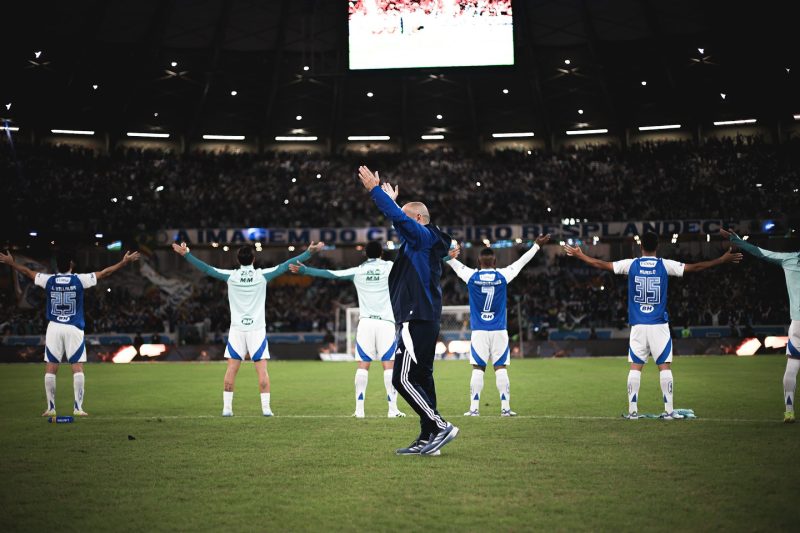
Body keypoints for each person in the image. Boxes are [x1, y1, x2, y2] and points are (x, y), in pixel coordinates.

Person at [564, 231, 742, 419]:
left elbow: (601, 264)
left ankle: (633, 412)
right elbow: (695, 267)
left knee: (635, 368)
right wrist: (721, 260)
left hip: (638, 326)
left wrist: (580, 254)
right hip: (658, 325)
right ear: (657, 246)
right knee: (664, 367)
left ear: (641, 246)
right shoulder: (665, 265)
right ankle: (669, 411)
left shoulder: (631, 264)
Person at [357, 165, 459, 456]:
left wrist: (376, 192)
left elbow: (398, 218)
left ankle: (439, 425)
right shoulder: (422, 242)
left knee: (400, 378)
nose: (401, 225)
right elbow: (401, 220)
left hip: (416, 317)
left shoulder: (422, 236)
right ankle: (429, 438)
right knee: (423, 377)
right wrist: (389, 199)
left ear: (418, 219)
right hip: (424, 316)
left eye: (406, 218)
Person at [172, 241, 324, 417]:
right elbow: (285, 266)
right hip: (256, 330)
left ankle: (227, 409)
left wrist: (187, 254)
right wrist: (308, 253)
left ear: (238, 259)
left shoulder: (231, 276)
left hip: (237, 330)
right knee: (262, 371)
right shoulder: (262, 275)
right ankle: (266, 409)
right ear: (253, 259)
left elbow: (207, 269)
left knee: (231, 370)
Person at [0, 249, 141, 417]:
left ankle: (51, 408)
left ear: (56, 266)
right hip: (73, 327)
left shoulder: (49, 280)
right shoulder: (79, 280)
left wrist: (11, 263)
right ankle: (78, 408)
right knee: (77, 367)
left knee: (51, 367)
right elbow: (105, 273)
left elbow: (28, 272)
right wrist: (123, 262)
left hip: (54, 327)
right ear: (71, 265)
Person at [289, 241, 406, 418]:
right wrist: (443, 257)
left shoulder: (358, 271)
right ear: (381, 252)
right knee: (388, 365)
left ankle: (359, 410)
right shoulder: (390, 267)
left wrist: (306, 270)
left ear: (366, 254)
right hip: (386, 323)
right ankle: (392, 410)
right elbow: (415, 267)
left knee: (363, 365)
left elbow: (331, 274)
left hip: (366, 323)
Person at [445, 235, 550, 417]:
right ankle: (505, 408)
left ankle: (474, 409)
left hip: (479, 331)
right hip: (499, 330)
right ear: (495, 262)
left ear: (478, 261)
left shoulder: (471, 275)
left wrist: (447, 253)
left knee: (478, 368)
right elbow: (521, 262)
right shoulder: (503, 275)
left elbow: (449, 262)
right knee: (500, 367)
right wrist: (536, 246)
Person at [720, 228, 800, 422]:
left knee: (792, 365)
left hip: (798, 323)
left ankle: (789, 410)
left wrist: (737, 241)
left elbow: (759, 252)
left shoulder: (789, 259)